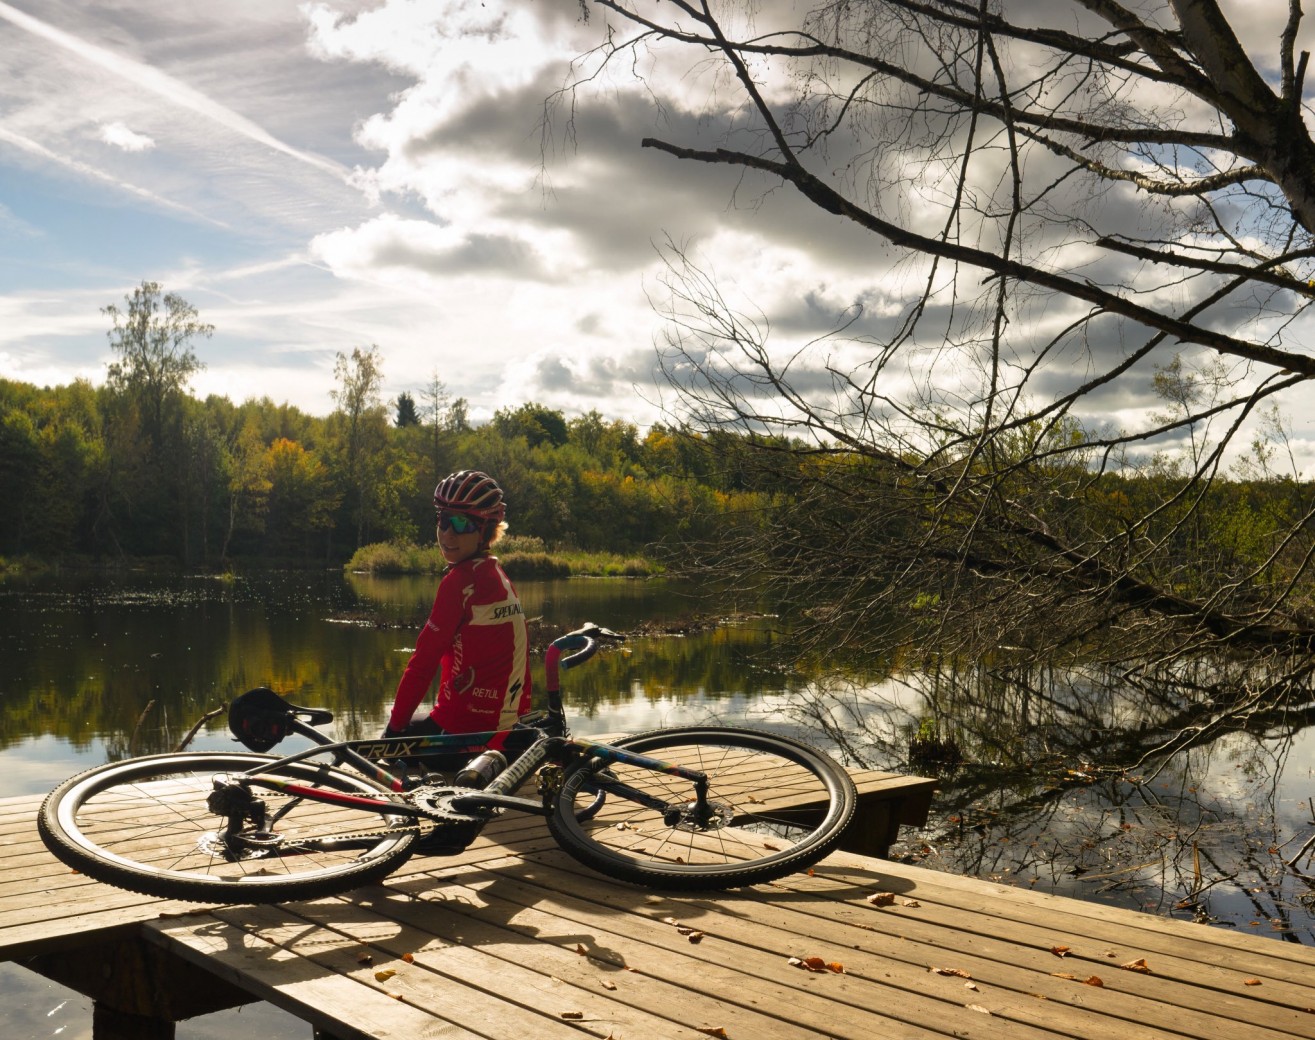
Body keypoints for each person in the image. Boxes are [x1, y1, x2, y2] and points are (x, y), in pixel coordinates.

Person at [382, 470, 532, 772]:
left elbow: (422, 665)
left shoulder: (460, 584)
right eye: (443, 520)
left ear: (486, 530)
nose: (448, 533)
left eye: (461, 523)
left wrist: (393, 733)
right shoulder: (496, 574)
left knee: (389, 745)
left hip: (467, 736)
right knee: (411, 723)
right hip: (510, 733)